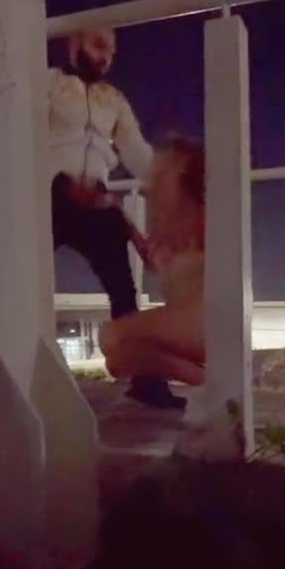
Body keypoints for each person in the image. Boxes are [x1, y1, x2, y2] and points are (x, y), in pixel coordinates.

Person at [49, 27, 186, 409]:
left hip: (96, 200)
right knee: (19, 278)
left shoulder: (114, 99)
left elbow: (137, 153)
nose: (105, 57)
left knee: (124, 290)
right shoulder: (45, 83)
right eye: (98, 45)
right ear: (74, 43)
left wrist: (178, 184)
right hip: (48, 196)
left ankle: (146, 381)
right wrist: (52, 181)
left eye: (111, 51)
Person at [100, 137, 205, 388]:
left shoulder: (203, 219)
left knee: (110, 336)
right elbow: (150, 259)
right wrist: (119, 213)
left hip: (207, 322)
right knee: (116, 359)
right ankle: (201, 378)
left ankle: (204, 378)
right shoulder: (168, 233)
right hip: (182, 325)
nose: (151, 182)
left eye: (161, 175)